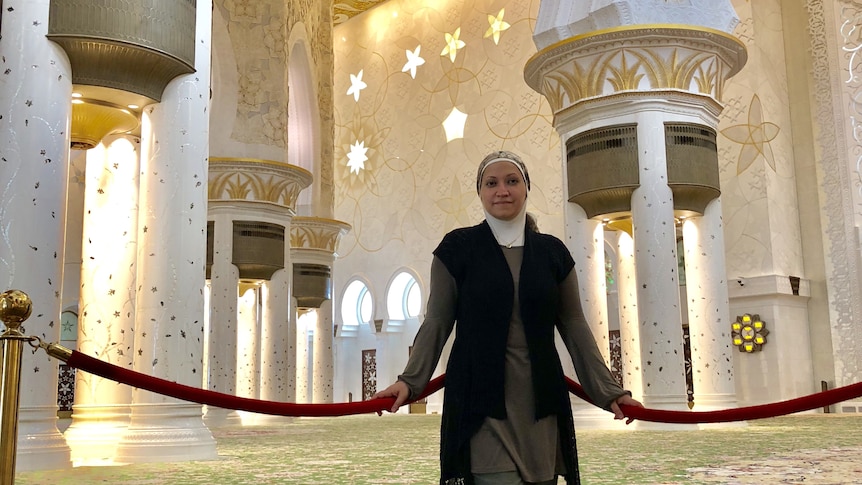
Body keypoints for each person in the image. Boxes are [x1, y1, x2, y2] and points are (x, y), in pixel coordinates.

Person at [372, 150, 643, 485]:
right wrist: (411, 382)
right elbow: (437, 322)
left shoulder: (552, 253)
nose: (502, 190)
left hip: (539, 402)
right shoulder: (457, 248)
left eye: (512, 181)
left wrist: (609, 391)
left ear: (526, 188)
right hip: (480, 401)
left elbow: (575, 327)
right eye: (492, 183)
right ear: (481, 192)